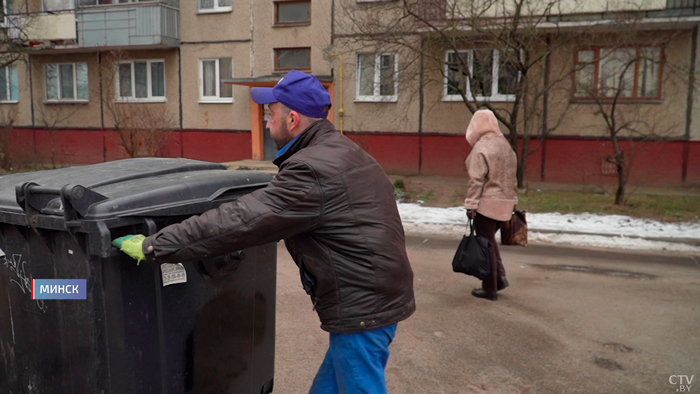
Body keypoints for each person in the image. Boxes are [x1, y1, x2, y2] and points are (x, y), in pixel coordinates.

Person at [112, 69, 416, 394]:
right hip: (374, 295)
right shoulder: (342, 151)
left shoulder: (311, 170)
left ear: (293, 119)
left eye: (270, 115)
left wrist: (155, 245)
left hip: (363, 308)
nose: (267, 123)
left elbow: (240, 221)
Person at [463, 109, 518, 301]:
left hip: (487, 204)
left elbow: (476, 180)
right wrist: (514, 201)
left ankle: (489, 288)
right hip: (506, 204)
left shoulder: (481, 147)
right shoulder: (506, 145)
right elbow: (513, 177)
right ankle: (500, 277)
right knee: (490, 242)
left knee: (485, 245)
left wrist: (471, 205)